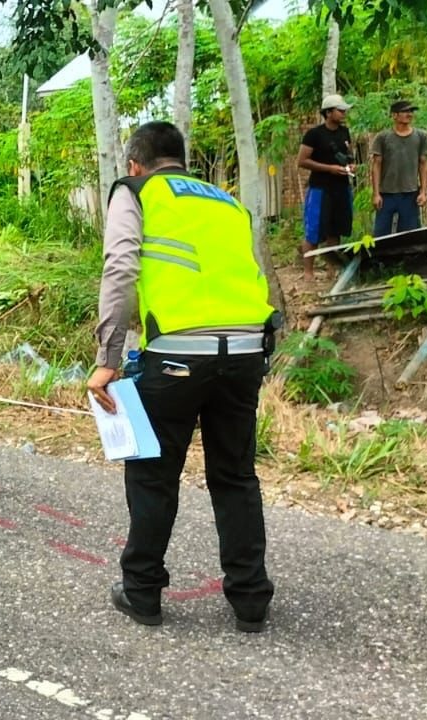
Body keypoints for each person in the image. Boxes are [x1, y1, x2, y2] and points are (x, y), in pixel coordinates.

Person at [87, 121, 279, 633]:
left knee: (152, 474)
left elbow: (121, 268)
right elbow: (254, 274)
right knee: (235, 476)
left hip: (175, 354)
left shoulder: (136, 191)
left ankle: (142, 591)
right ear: (182, 161)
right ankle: (251, 600)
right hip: (243, 352)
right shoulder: (226, 201)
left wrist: (108, 355)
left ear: (134, 163)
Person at [297, 94, 357, 280]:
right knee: (314, 231)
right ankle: (308, 272)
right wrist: (329, 169)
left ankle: (332, 270)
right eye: (340, 110)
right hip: (320, 189)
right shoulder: (314, 134)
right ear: (328, 112)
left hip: (341, 187)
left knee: (335, 230)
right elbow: (302, 161)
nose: (343, 113)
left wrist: (350, 165)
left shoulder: (344, 132)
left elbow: (349, 154)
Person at [371, 99, 427, 236]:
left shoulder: (421, 136)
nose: (409, 114)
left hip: (410, 194)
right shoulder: (383, 137)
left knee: (409, 235)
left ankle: (406, 258)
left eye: (411, 111)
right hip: (386, 194)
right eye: (405, 111)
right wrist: (376, 193)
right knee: (380, 235)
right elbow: (376, 165)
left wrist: (423, 192)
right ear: (394, 115)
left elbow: (424, 164)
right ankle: (380, 258)